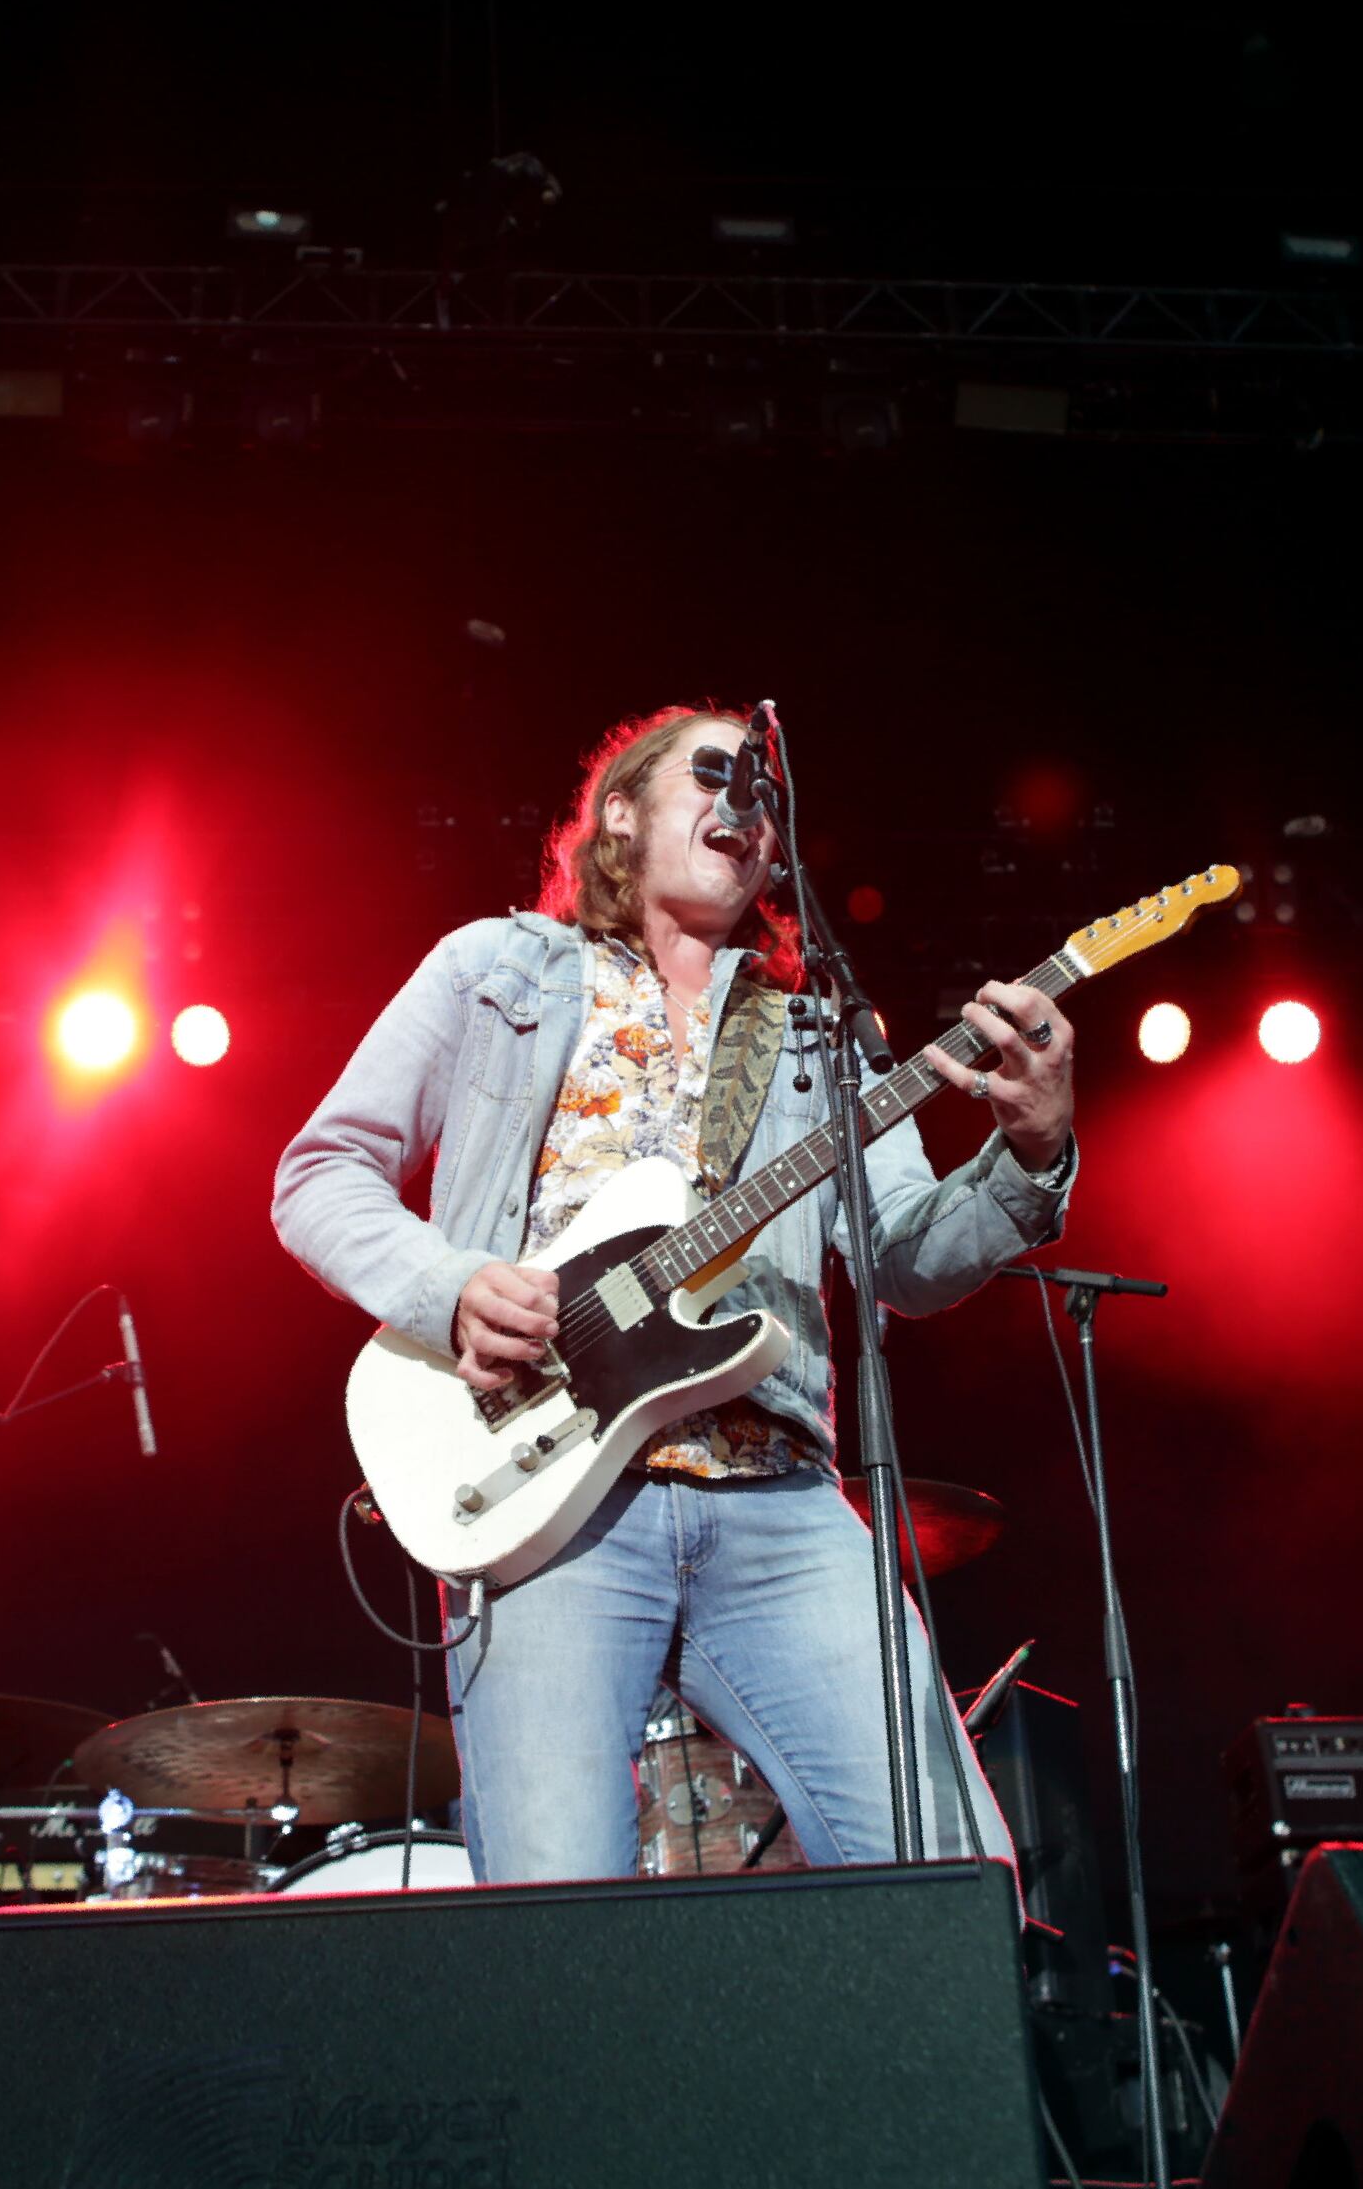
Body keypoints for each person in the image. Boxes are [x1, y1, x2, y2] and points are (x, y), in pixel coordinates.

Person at [274, 704, 1077, 1882]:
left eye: (765, 791)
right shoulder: (498, 970)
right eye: (714, 772)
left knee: (952, 1879)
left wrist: (1035, 1149)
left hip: (781, 1496)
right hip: (546, 1500)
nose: (746, 803)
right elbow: (320, 1171)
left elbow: (906, 1256)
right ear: (619, 814)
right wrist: (449, 1289)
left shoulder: (820, 1030)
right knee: (562, 1928)